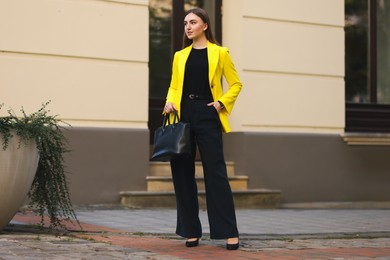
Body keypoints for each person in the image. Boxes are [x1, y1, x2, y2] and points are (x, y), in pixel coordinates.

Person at [163, 7, 242, 250]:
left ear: (205, 25)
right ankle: (190, 231)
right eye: (186, 22)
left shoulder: (220, 53)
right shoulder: (180, 56)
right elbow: (175, 86)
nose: (187, 26)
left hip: (208, 113)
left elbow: (236, 84)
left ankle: (229, 231)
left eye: (193, 22)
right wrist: (169, 101)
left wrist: (221, 103)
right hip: (182, 114)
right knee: (182, 173)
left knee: (216, 173)